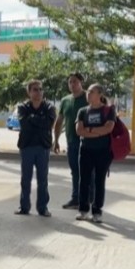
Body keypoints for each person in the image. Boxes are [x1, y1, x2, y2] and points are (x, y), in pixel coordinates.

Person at [74, 83, 116, 223]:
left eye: (92, 91)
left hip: (102, 151)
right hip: (85, 149)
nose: (88, 94)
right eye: (88, 91)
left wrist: (89, 131)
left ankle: (97, 211)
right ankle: (83, 210)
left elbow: (108, 128)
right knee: (84, 181)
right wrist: (97, 132)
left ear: (100, 94)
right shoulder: (82, 111)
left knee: (99, 181)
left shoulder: (108, 110)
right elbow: (79, 131)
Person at [16, 80, 57, 217]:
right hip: (27, 147)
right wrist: (39, 120)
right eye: (35, 89)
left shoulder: (49, 107)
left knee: (43, 179)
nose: (38, 92)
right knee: (25, 179)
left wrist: (33, 119)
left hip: (43, 147)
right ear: (29, 92)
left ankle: (43, 208)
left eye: (40, 89)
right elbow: (24, 124)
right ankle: (24, 207)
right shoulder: (22, 107)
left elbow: (48, 124)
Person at [53, 72, 91, 209]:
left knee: (88, 171)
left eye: (75, 81)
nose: (72, 84)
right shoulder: (65, 100)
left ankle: (89, 199)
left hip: (88, 141)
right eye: (70, 82)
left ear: (81, 83)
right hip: (71, 141)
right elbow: (59, 121)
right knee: (75, 171)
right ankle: (76, 198)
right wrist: (56, 140)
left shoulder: (88, 98)